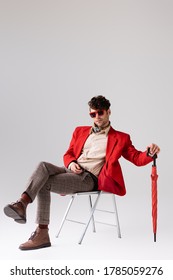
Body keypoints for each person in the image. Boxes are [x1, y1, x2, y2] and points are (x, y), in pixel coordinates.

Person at [3, 95, 160, 250]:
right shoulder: (80, 131)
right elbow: (68, 153)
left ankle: (42, 233)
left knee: (44, 183)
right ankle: (22, 203)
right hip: (70, 170)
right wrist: (71, 163)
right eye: (93, 114)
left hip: (88, 179)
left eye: (100, 113)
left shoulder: (121, 138)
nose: (97, 117)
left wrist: (149, 153)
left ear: (108, 112)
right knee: (42, 165)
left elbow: (136, 158)